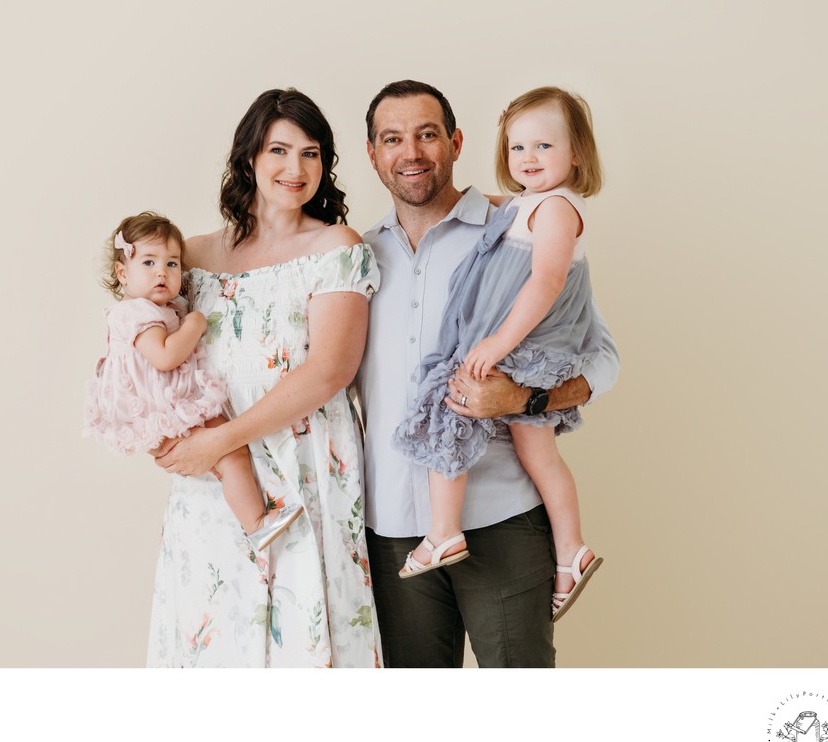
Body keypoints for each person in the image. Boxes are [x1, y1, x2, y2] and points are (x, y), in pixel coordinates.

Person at [358, 80, 620, 667]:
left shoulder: (514, 230)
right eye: (393, 138)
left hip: (501, 518)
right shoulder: (355, 257)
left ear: (455, 142)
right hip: (393, 525)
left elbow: (601, 358)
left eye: (428, 134)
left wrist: (523, 399)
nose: (412, 151)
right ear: (372, 154)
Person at [146, 88, 382, 667]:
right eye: (279, 150)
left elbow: (330, 370)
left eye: (311, 153)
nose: (295, 168)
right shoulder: (191, 256)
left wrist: (221, 441)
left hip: (302, 464)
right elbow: (150, 344)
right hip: (212, 482)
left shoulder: (336, 247)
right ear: (249, 156)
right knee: (213, 632)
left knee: (304, 636)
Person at [84, 212, 302, 551]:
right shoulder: (138, 313)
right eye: (149, 262)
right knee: (231, 452)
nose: (162, 272)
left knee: (224, 460)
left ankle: (250, 521)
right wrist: (195, 324)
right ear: (122, 272)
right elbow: (166, 356)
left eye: (172, 264)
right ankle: (257, 523)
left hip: (161, 406)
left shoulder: (157, 308)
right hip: (166, 409)